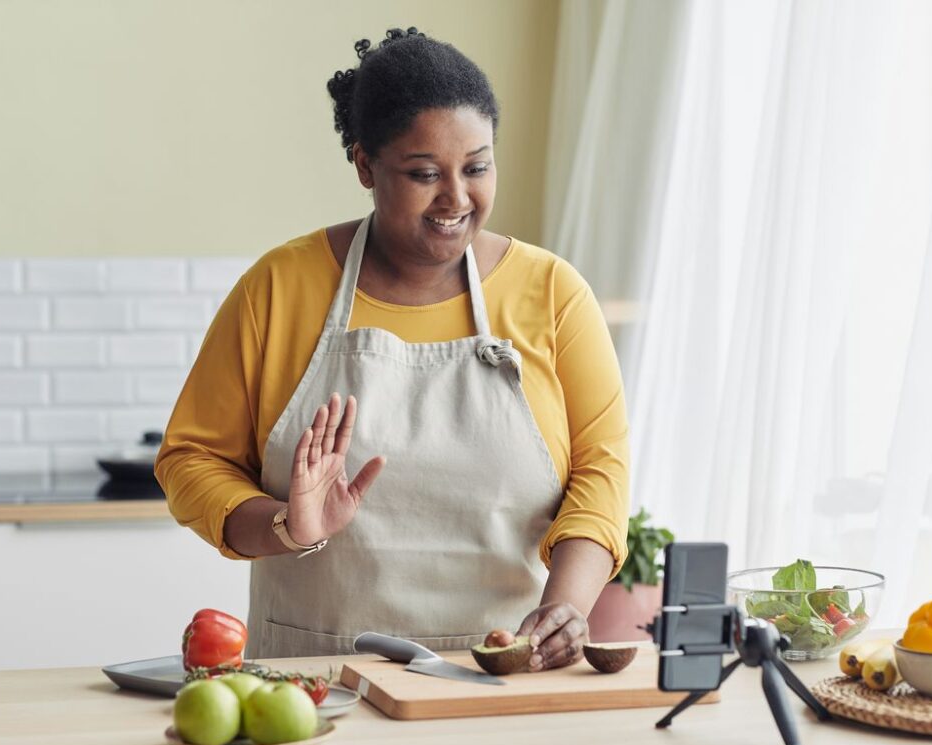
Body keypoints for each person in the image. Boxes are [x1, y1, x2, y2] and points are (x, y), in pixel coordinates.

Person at [156, 27, 629, 667]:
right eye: (423, 173)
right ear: (363, 164)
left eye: (477, 167)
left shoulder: (551, 294)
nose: (456, 199)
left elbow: (601, 473)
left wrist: (567, 605)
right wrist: (285, 526)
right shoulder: (279, 288)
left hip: (503, 670)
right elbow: (191, 459)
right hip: (316, 676)